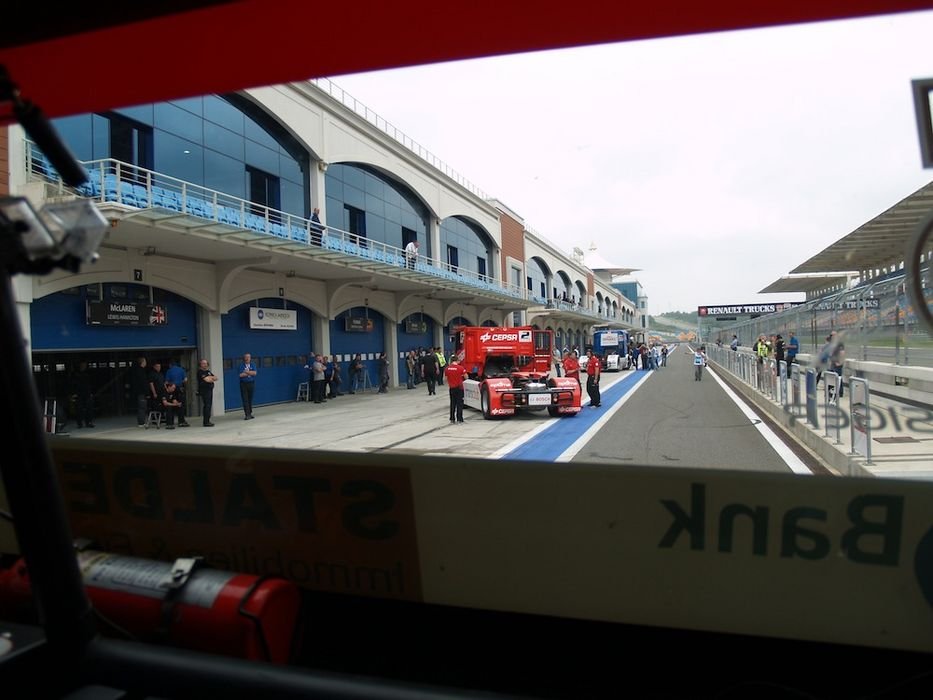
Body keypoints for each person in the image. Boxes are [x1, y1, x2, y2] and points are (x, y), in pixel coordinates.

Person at [164, 358, 189, 426]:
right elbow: (185, 380)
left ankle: (170, 421)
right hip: (180, 388)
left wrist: (167, 389)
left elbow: (166, 382)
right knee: (181, 404)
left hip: (172, 389)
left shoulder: (169, 371)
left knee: (172, 403)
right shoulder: (181, 370)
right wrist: (180, 382)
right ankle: (181, 421)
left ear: (170, 365)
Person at [69, 360, 95, 428]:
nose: (84, 366)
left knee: (89, 408)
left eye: (85, 365)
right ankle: (79, 423)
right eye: (83, 364)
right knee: (79, 409)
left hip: (87, 393)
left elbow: (91, 384)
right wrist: (73, 393)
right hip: (78, 394)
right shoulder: (75, 374)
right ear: (80, 365)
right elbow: (71, 384)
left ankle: (89, 422)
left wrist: (91, 392)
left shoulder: (88, 373)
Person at [444, 355, 469, 423]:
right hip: (459, 388)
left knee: (452, 403)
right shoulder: (461, 368)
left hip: (452, 388)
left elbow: (445, 379)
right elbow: (466, 377)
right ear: (457, 360)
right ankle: (459, 419)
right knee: (459, 404)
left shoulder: (447, 368)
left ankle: (452, 419)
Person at [129, 356, 150, 427]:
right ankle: (141, 423)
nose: (146, 362)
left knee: (141, 407)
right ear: (142, 362)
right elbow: (143, 383)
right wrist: (147, 393)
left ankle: (141, 422)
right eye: (145, 361)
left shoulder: (137, 371)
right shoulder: (141, 371)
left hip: (139, 392)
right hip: (141, 392)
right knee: (142, 407)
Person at [196, 359, 217, 426]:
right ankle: (206, 422)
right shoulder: (200, 372)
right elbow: (207, 380)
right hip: (204, 391)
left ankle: (208, 420)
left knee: (209, 405)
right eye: (203, 363)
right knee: (207, 405)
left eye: (206, 363)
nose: (205, 365)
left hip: (210, 390)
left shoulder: (208, 371)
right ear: (200, 365)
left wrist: (210, 377)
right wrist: (211, 378)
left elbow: (216, 378)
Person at [238, 352, 257, 419]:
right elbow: (240, 375)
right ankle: (247, 414)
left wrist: (246, 372)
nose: (247, 358)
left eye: (248, 357)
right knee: (245, 399)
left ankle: (250, 413)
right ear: (244, 358)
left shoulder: (253, 364)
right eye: (246, 357)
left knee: (250, 399)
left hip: (251, 383)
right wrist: (250, 373)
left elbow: (254, 373)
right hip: (243, 384)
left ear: (250, 358)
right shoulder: (241, 365)